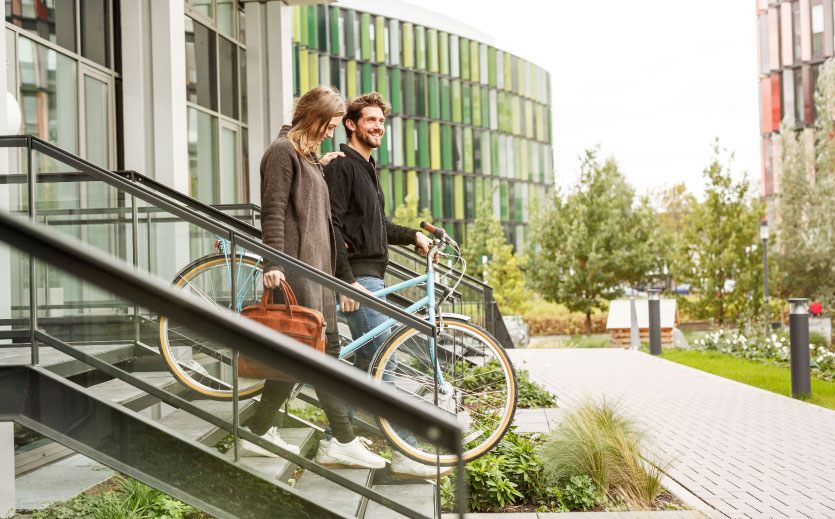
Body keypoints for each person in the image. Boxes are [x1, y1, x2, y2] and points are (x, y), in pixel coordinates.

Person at [242, 85, 386, 471]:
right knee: (322, 356)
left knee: (303, 354)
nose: (330, 133)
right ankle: (342, 440)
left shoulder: (304, 157)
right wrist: (271, 262)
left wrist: (318, 166)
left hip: (318, 272)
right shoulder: (280, 153)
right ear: (313, 117)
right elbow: (272, 211)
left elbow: (312, 214)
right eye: (329, 125)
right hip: (296, 270)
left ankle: (257, 430)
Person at [324, 91, 450, 479]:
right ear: (351, 124)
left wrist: (413, 234)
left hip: (371, 275)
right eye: (371, 120)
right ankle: (407, 453)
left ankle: (336, 441)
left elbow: (373, 227)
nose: (378, 127)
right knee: (386, 359)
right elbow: (331, 225)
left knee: (368, 362)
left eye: (381, 121)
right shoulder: (342, 166)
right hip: (358, 278)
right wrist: (345, 283)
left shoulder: (368, 167)